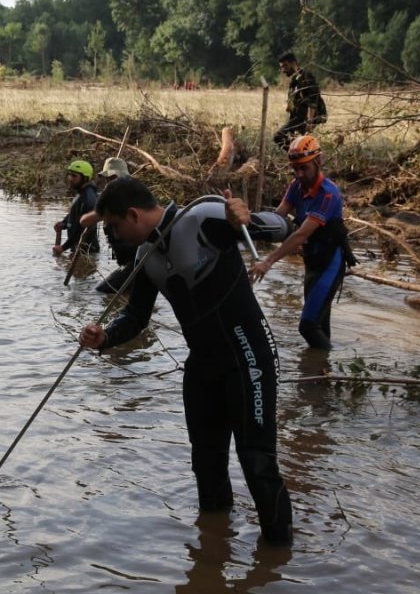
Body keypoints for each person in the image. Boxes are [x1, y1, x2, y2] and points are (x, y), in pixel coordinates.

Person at [78, 177, 293, 545]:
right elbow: (136, 317)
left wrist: (246, 216)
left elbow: (280, 227)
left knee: (257, 465)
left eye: (113, 226)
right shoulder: (146, 256)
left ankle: (276, 562)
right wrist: (106, 338)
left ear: (132, 214)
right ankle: (212, 552)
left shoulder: (203, 217)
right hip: (203, 369)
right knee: (206, 467)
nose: (113, 236)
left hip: (249, 359)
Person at [250, 135, 356, 350]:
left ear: (318, 162)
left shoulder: (328, 194)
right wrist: (248, 225)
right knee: (319, 325)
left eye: (304, 168)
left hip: (330, 264)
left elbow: (300, 235)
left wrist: (268, 262)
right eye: (295, 168)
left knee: (307, 326)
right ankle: (320, 373)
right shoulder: (296, 187)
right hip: (311, 262)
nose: (299, 174)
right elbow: (279, 218)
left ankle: (330, 370)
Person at [89, 157, 139, 293]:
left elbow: (90, 219)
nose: (108, 182)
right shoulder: (115, 194)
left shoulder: (127, 195)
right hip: (131, 262)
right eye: (108, 179)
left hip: (138, 262)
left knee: (101, 291)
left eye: (112, 178)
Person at [273, 52, 326, 149]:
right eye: (281, 67)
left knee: (279, 136)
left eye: (285, 66)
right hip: (298, 117)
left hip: (305, 117)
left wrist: (310, 121)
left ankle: (299, 154)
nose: (283, 70)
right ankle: (300, 156)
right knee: (296, 141)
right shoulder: (294, 81)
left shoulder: (305, 77)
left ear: (294, 63)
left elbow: (313, 99)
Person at [52, 160, 100, 257]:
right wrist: (64, 223)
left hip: (86, 253)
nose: (70, 178)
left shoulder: (88, 198)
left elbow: (82, 229)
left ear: (85, 178)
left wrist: (63, 248)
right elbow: (75, 214)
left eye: (74, 176)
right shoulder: (81, 193)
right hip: (78, 251)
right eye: (69, 175)